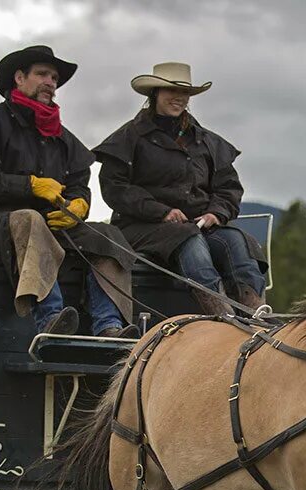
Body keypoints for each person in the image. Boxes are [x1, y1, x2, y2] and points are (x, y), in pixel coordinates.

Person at [0, 45, 138, 338]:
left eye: (54, 78)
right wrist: (30, 185)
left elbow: (79, 182)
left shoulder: (63, 138)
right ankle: (51, 319)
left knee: (108, 235)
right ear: (19, 78)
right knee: (29, 219)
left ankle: (110, 326)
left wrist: (79, 205)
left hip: (52, 224)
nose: (51, 83)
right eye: (42, 74)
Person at [94, 62, 268, 317]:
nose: (179, 98)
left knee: (236, 242)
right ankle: (221, 314)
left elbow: (228, 188)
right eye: (170, 91)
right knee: (190, 241)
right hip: (142, 226)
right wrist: (161, 211)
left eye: (184, 93)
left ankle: (255, 315)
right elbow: (115, 188)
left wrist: (215, 214)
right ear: (154, 94)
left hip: (199, 225)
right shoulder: (128, 138)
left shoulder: (208, 141)